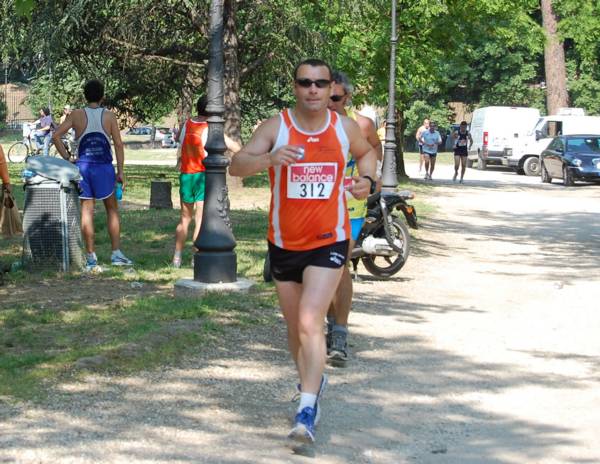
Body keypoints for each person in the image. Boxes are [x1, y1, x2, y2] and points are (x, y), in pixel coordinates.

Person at [229, 58, 377, 443]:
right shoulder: (276, 127)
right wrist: (268, 159)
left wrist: (367, 179)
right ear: (295, 87)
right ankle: (313, 378)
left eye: (320, 83)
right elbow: (236, 165)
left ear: (331, 90)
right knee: (296, 328)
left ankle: (306, 410)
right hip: (284, 243)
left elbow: (368, 154)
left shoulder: (344, 127)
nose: (313, 89)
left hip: (329, 239)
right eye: (305, 82)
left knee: (312, 320)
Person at [325, 70, 382, 366]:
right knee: (318, 268)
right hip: (316, 208)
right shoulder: (313, 124)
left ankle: (339, 332)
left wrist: (372, 176)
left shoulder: (360, 125)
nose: (330, 103)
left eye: (335, 98)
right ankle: (328, 320)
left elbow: (373, 146)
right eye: (326, 97)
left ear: (347, 97)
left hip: (350, 207)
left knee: (338, 265)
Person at [53, 79, 133, 272]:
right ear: (103, 96)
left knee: (87, 211)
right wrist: (120, 171)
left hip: (83, 167)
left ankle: (91, 257)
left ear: (85, 95)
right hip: (104, 167)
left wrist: (67, 157)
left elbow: (56, 135)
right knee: (112, 210)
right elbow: (119, 145)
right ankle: (116, 254)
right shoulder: (109, 116)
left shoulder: (76, 115)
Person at [172, 96, 241, 268]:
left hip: (186, 176)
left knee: (184, 219)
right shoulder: (210, 129)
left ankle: (176, 257)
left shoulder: (187, 124)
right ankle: (196, 258)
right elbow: (234, 146)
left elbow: (178, 140)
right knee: (200, 220)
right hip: (202, 176)